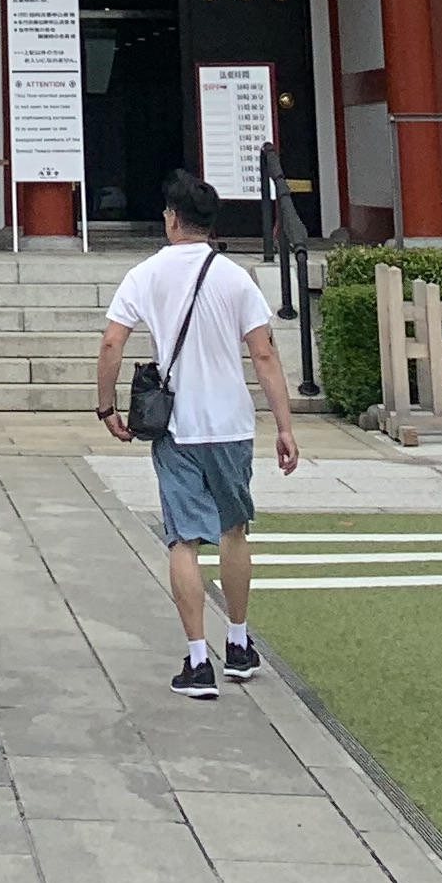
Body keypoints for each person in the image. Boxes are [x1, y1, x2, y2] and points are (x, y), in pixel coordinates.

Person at [95, 170, 299, 700]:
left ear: (171, 218)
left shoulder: (145, 275)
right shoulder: (236, 278)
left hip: (177, 424)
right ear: (210, 224)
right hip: (230, 422)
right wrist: (284, 425)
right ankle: (238, 643)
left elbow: (112, 342)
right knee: (234, 529)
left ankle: (197, 659)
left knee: (182, 539)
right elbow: (263, 354)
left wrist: (106, 406)